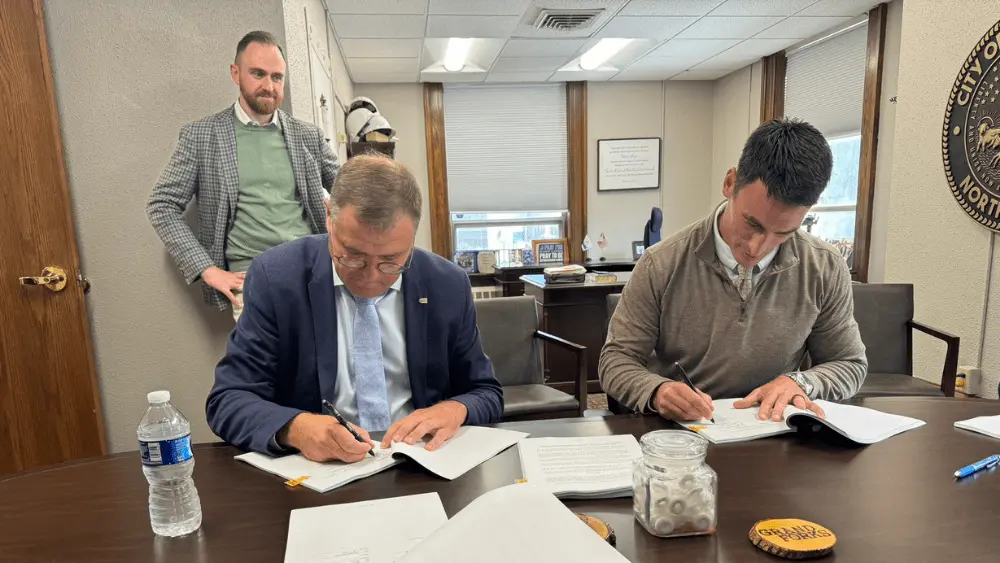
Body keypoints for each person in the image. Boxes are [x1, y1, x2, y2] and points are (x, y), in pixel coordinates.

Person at [206, 154, 504, 462]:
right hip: (320, 471)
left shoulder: (446, 284)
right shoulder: (277, 278)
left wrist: (455, 409)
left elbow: (486, 392)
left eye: (391, 261)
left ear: (413, 236)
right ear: (328, 220)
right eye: (352, 256)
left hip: (419, 463)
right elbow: (229, 400)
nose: (370, 277)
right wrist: (296, 428)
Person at [600, 118, 867, 423]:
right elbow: (616, 361)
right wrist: (657, 390)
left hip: (778, 433)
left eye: (783, 233)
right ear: (729, 183)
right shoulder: (660, 263)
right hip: (686, 432)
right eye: (752, 223)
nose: (757, 248)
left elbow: (849, 364)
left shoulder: (825, 267)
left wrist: (801, 382)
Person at [147, 31, 338, 320]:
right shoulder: (202, 136)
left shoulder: (307, 135)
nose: (269, 86)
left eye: (277, 77)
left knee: (326, 361)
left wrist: (341, 223)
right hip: (252, 281)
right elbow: (161, 205)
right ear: (236, 73)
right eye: (258, 74)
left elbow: (352, 190)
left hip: (315, 271)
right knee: (272, 365)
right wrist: (207, 270)